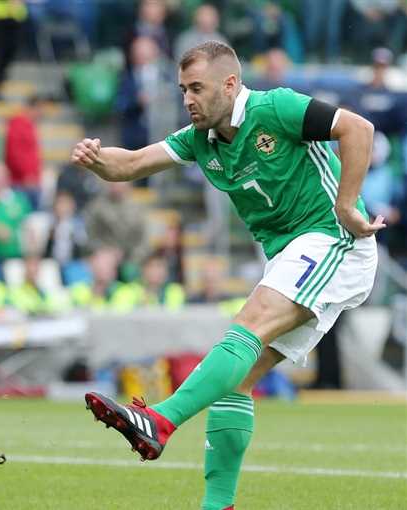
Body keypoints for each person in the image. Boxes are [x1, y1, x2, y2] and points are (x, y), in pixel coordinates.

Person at [71, 41, 381, 510]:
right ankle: (218, 505)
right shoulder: (201, 139)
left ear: (230, 84)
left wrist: (346, 202)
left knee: (247, 325)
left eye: (197, 88)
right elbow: (132, 163)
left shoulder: (275, 108)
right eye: (182, 90)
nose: (188, 99)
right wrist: (98, 161)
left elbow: (358, 128)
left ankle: (161, 420)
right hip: (290, 256)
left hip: (334, 238)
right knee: (233, 380)